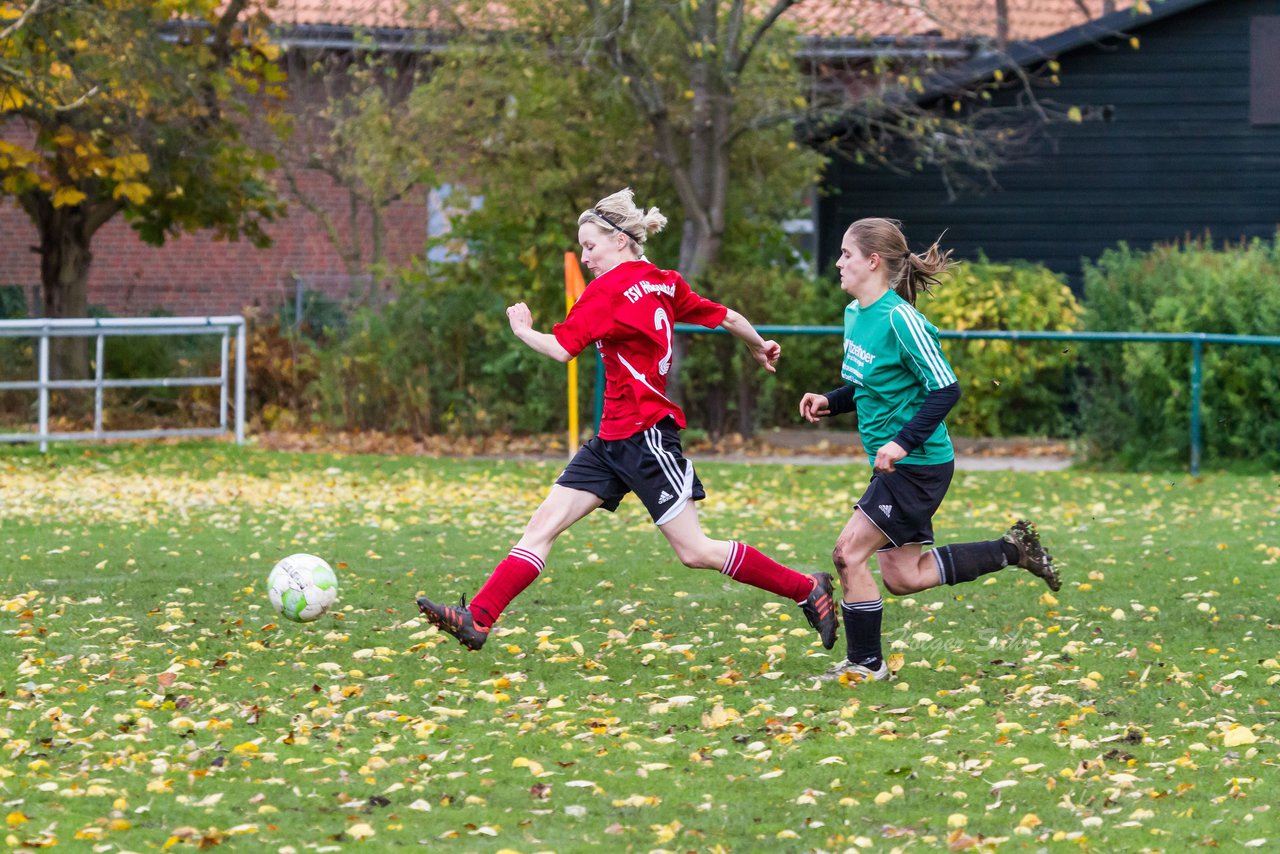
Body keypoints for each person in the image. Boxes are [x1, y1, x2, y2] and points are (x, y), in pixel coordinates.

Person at [416, 188, 837, 652]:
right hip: (610, 441)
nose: (586, 256)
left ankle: (807, 589)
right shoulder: (663, 281)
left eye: (590, 246)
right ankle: (477, 618)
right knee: (542, 527)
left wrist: (522, 330)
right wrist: (758, 344)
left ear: (619, 240)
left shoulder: (607, 292)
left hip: (646, 437)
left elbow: (561, 350)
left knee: (695, 551)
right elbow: (729, 317)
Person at [798, 217, 1060, 683]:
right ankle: (1011, 550)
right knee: (904, 577)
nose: (838, 263)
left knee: (847, 555)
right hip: (898, 465)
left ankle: (866, 665)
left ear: (873, 261)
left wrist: (900, 443)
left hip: (917, 466)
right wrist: (829, 401)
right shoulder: (855, 315)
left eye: (846, 255)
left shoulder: (902, 319)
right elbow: (868, 387)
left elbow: (945, 389)